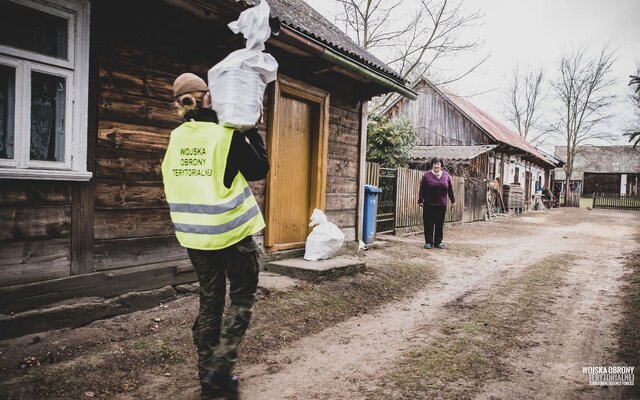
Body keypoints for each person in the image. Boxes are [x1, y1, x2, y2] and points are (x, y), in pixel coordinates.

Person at [161, 72, 269, 399]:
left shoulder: (177, 138)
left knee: (210, 301)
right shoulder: (224, 135)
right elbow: (259, 169)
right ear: (206, 98)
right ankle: (219, 372)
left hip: (196, 239)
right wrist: (251, 128)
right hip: (233, 235)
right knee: (241, 298)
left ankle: (206, 371)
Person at [418, 157, 455, 249]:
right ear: (432, 165)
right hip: (429, 204)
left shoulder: (446, 175)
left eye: (438, 164)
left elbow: (450, 189)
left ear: (441, 165)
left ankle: (438, 242)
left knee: (440, 223)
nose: (436, 166)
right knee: (428, 223)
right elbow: (422, 189)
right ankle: (429, 242)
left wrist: (453, 201)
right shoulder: (427, 175)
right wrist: (420, 200)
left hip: (442, 204)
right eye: (434, 164)